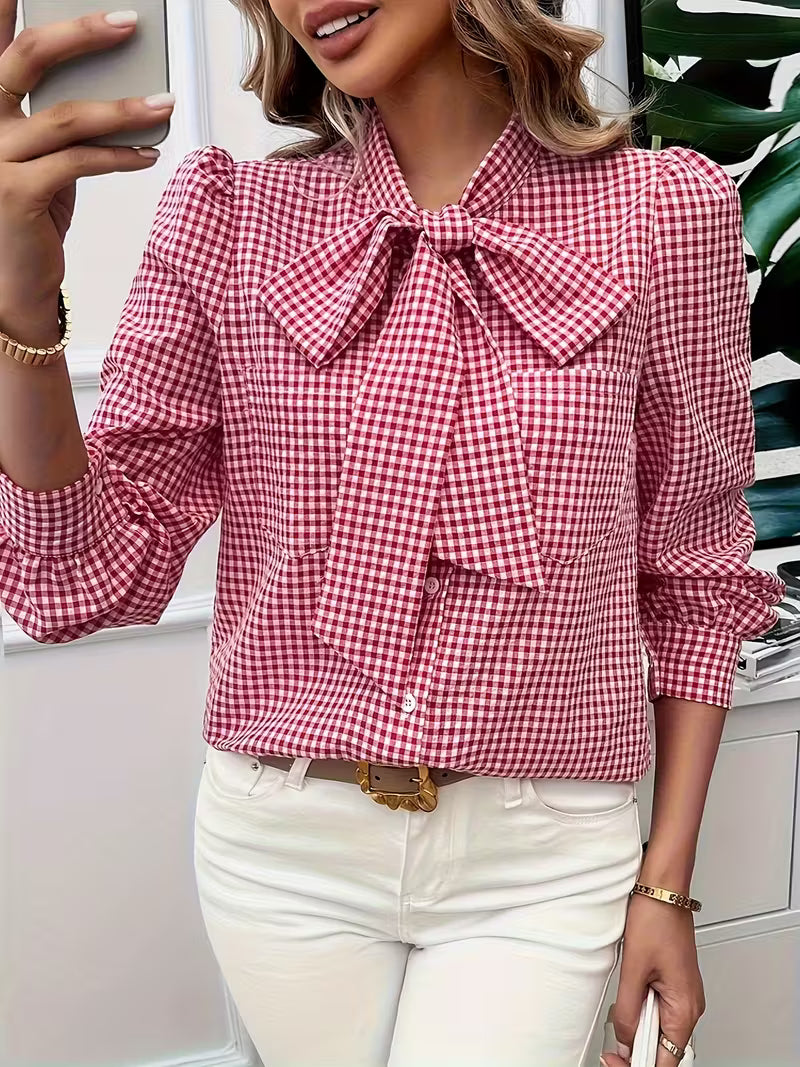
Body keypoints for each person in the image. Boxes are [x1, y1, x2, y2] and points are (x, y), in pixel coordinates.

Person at [0, 1, 785, 1064]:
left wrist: (666, 885)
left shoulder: (662, 213)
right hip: (282, 847)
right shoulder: (227, 217)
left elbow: (694, 574)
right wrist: (22, 310)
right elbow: (86, 581)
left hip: (541, 851)